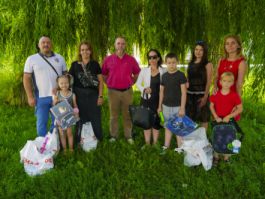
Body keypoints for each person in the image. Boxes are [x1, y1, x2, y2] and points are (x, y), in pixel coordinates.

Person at [23, 35, 67, 137]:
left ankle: (54, 142)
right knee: (41, 124)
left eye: (48, 42)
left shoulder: (60, 58)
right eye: (43, 42)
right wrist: (30, 97)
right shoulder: (31, 59)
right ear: (39, 45)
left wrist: (62, 89)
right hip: (41, 97)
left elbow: (66, 76)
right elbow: (26, 78)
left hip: (58, 96)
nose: (46, 44)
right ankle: (42, 145)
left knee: (58, 122)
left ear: (51, 44)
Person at [102, 36, 141, 144]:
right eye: (118, 43)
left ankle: (128, 136)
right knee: (113, 116)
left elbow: (137, 73)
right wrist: (109, 83)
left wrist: (131, 82)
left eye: (122, 43)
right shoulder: (108, 59)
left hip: (127, 92)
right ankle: (113, 136)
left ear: (125, 45)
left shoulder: (131, 59)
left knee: (127, 115)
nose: (120, 45)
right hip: (112, 92)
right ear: (115, 45)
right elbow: (104, 74)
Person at [69, 41, 104, 143]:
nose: (85, 52)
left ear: (90, 51)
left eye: (87, 49)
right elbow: (68, 79)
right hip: (79, 95)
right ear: (80, 52)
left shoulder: (95, 64)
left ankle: (97, 138)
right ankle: (80, 140)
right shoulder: (75, 65)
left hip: (93, 95)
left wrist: (100, 96)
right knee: (80, 117)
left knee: (95, 116)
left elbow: (101, 82)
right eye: (82, 50)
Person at [210, 72, 243, 165]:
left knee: (229, 138)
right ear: (220, 82)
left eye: (229, 81)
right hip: (218, 120)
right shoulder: (216, 94)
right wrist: (216, 117)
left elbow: (240, 108)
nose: (226, 83)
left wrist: (229, 116)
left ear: (232, 83)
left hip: (229, 121)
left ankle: (226, 157)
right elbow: (211, 106)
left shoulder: (234, 95)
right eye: (224, 81)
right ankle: (216, 157)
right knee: (216, 137)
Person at [136, 49, 167, 148]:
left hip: (159, 101)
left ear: (158, 58)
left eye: (154, 57)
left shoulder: (164, 71)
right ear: (148, 60)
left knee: (157, 122)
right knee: (146, 122)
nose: (152, 59)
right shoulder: (144, 71)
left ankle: (155, 143)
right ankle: (147, 143)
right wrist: (144, 89)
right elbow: (137, 83)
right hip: (146, 100)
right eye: (150, 57)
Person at [158, 53, 187, 153]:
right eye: (169, 63)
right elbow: (161, 92)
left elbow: (184, 93)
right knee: (168, 126)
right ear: (166, 63)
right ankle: (166, 146)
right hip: (165, 106)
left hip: (178, 107)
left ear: (177, 63)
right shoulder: (164, 76)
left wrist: (182, 107)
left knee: (178, 128)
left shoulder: (181, 75)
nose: (171, 65)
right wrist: (159, 106)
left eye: (174, 62)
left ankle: (180, 148)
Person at [186, 41, 213, 130]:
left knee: (203, 118)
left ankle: (203, 140)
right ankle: (190, 139)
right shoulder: (190, 64)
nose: (198, 52)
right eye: (196, 49)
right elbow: (188, 79)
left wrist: (205, 97)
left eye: (201, 50)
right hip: (189, 94)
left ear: (204, 51)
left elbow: (209, 81)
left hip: (201, 94)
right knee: (189, 118)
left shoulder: (208, 64)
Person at [52, 75, 79, 152]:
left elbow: (75, 105)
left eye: (66, 83)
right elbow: (54, 105)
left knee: (69, 133)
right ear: (58, 84)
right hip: (60, 118)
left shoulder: (72, 95)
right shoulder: (57, 94)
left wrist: (76, 112)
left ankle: (71, 149)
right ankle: (64, 149)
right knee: (62, 134)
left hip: (69, 117)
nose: (64, 85)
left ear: (69, 83)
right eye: (62, 83)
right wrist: (55, 101)